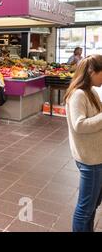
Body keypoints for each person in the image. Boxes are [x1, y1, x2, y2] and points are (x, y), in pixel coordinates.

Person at [64, 55, 102, 232]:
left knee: (91, 206)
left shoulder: (91, 91)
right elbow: (79, 125)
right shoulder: (78, 94)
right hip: (90, 160)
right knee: (85, 209)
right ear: (92, 72)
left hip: (96, 156)